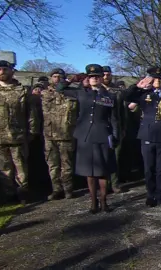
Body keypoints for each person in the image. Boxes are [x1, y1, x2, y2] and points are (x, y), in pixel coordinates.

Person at [55, 64, 118, 213]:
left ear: (101, 78)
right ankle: (93, 202)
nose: (94, 79)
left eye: (96, 76)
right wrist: (72, 79)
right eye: (91, 77)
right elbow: (60, 89)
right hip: (85, 136)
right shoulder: (81, 93)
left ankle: (103, 200)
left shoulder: (109, 96)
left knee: (103, 170)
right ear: (87, 79)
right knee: (89, 171)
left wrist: (115, 135)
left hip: (103, 134)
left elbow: (114, 118)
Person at [124, 66, 161, 207]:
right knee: (148, 168)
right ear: (150, 79)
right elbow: (127, 97)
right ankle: (150, 194)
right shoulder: (143, 93)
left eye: (159, 78)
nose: (157, 81)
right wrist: (138, 86)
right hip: (146, 135)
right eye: (154, 78)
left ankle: (159, 195)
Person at [0, 60, 39, 204]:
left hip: (18, 136)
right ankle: (9, 195)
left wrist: (32, 132)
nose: (2, 72)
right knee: (3, 169)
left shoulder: (22, 91)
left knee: (21, 168)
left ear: (11, 71)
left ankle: (23, 194)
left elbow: (31, 114)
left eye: (5, 69)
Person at [42, 68, 78, 200]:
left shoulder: (72, 93)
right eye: (55, 76)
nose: (57, 79)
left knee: (67, 164)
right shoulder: (45, 93)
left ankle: (68, 189)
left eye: (60, 77)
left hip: (67, 134)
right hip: (49, 134)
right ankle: (56, 189)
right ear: (51, 78)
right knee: (53, 164)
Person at [101, 66, 125, 193]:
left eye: (108, 74)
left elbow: (122, 112)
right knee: (102, 157)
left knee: (115, 157)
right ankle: (104, 184)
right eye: (104, 74)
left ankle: (115, 183)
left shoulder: (117, 91)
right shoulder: (95, 90)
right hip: (99, 128)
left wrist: (123, 128)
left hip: (115, 128)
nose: (106, 77)